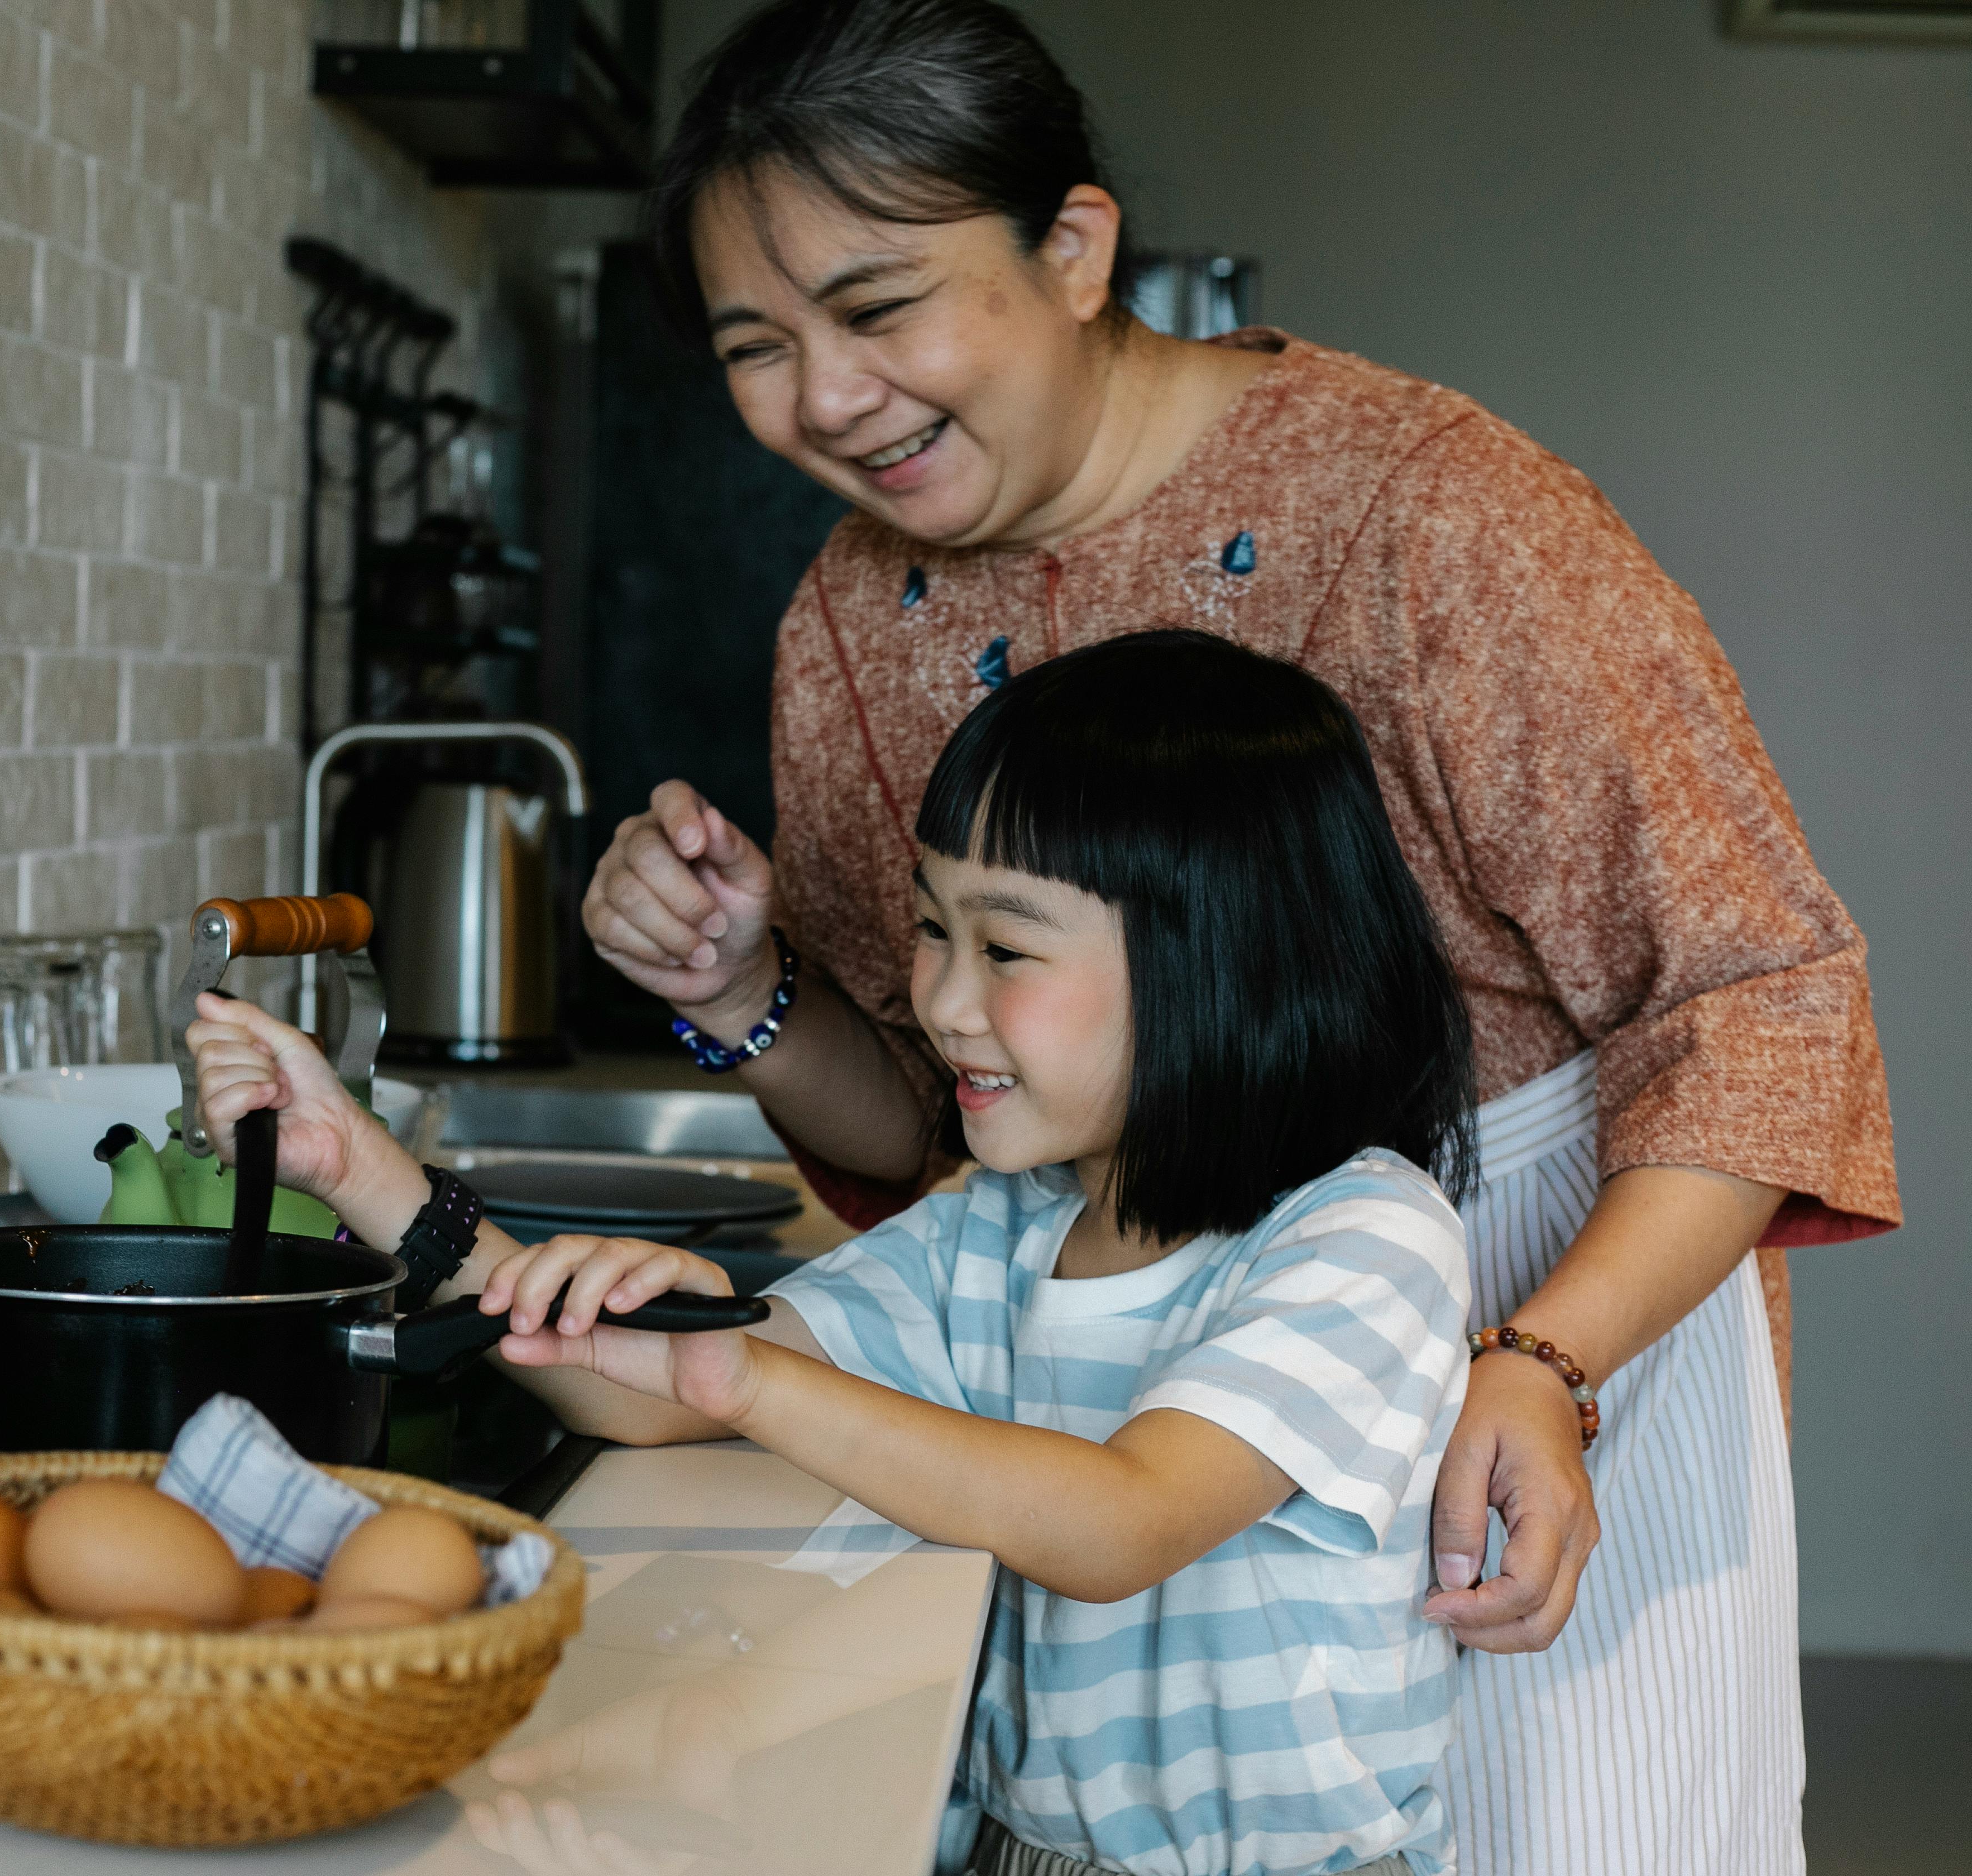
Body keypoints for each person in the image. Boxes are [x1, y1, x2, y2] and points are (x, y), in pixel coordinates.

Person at [577, 3, 1898, 1869]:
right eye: (754, 347)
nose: (823, 398)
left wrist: (1545, 1362)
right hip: (1137, 1387)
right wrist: (744, 991)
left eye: (877, 312)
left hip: (1544, 1286)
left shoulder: (1437, 513)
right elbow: (950, 1116)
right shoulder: (847, 624)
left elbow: (1763, 999)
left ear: (1076, 247)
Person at [194, 633, 1487, 1875]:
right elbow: (628, 1389)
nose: (941, 1001)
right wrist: (357, 1166)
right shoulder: (1004, 1225)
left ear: (1227, 965)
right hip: (1022, 1854)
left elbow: (1124, 1521)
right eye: (933, 930)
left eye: (1008, 949)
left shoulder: (1363, 1237)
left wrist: (747, 1379)